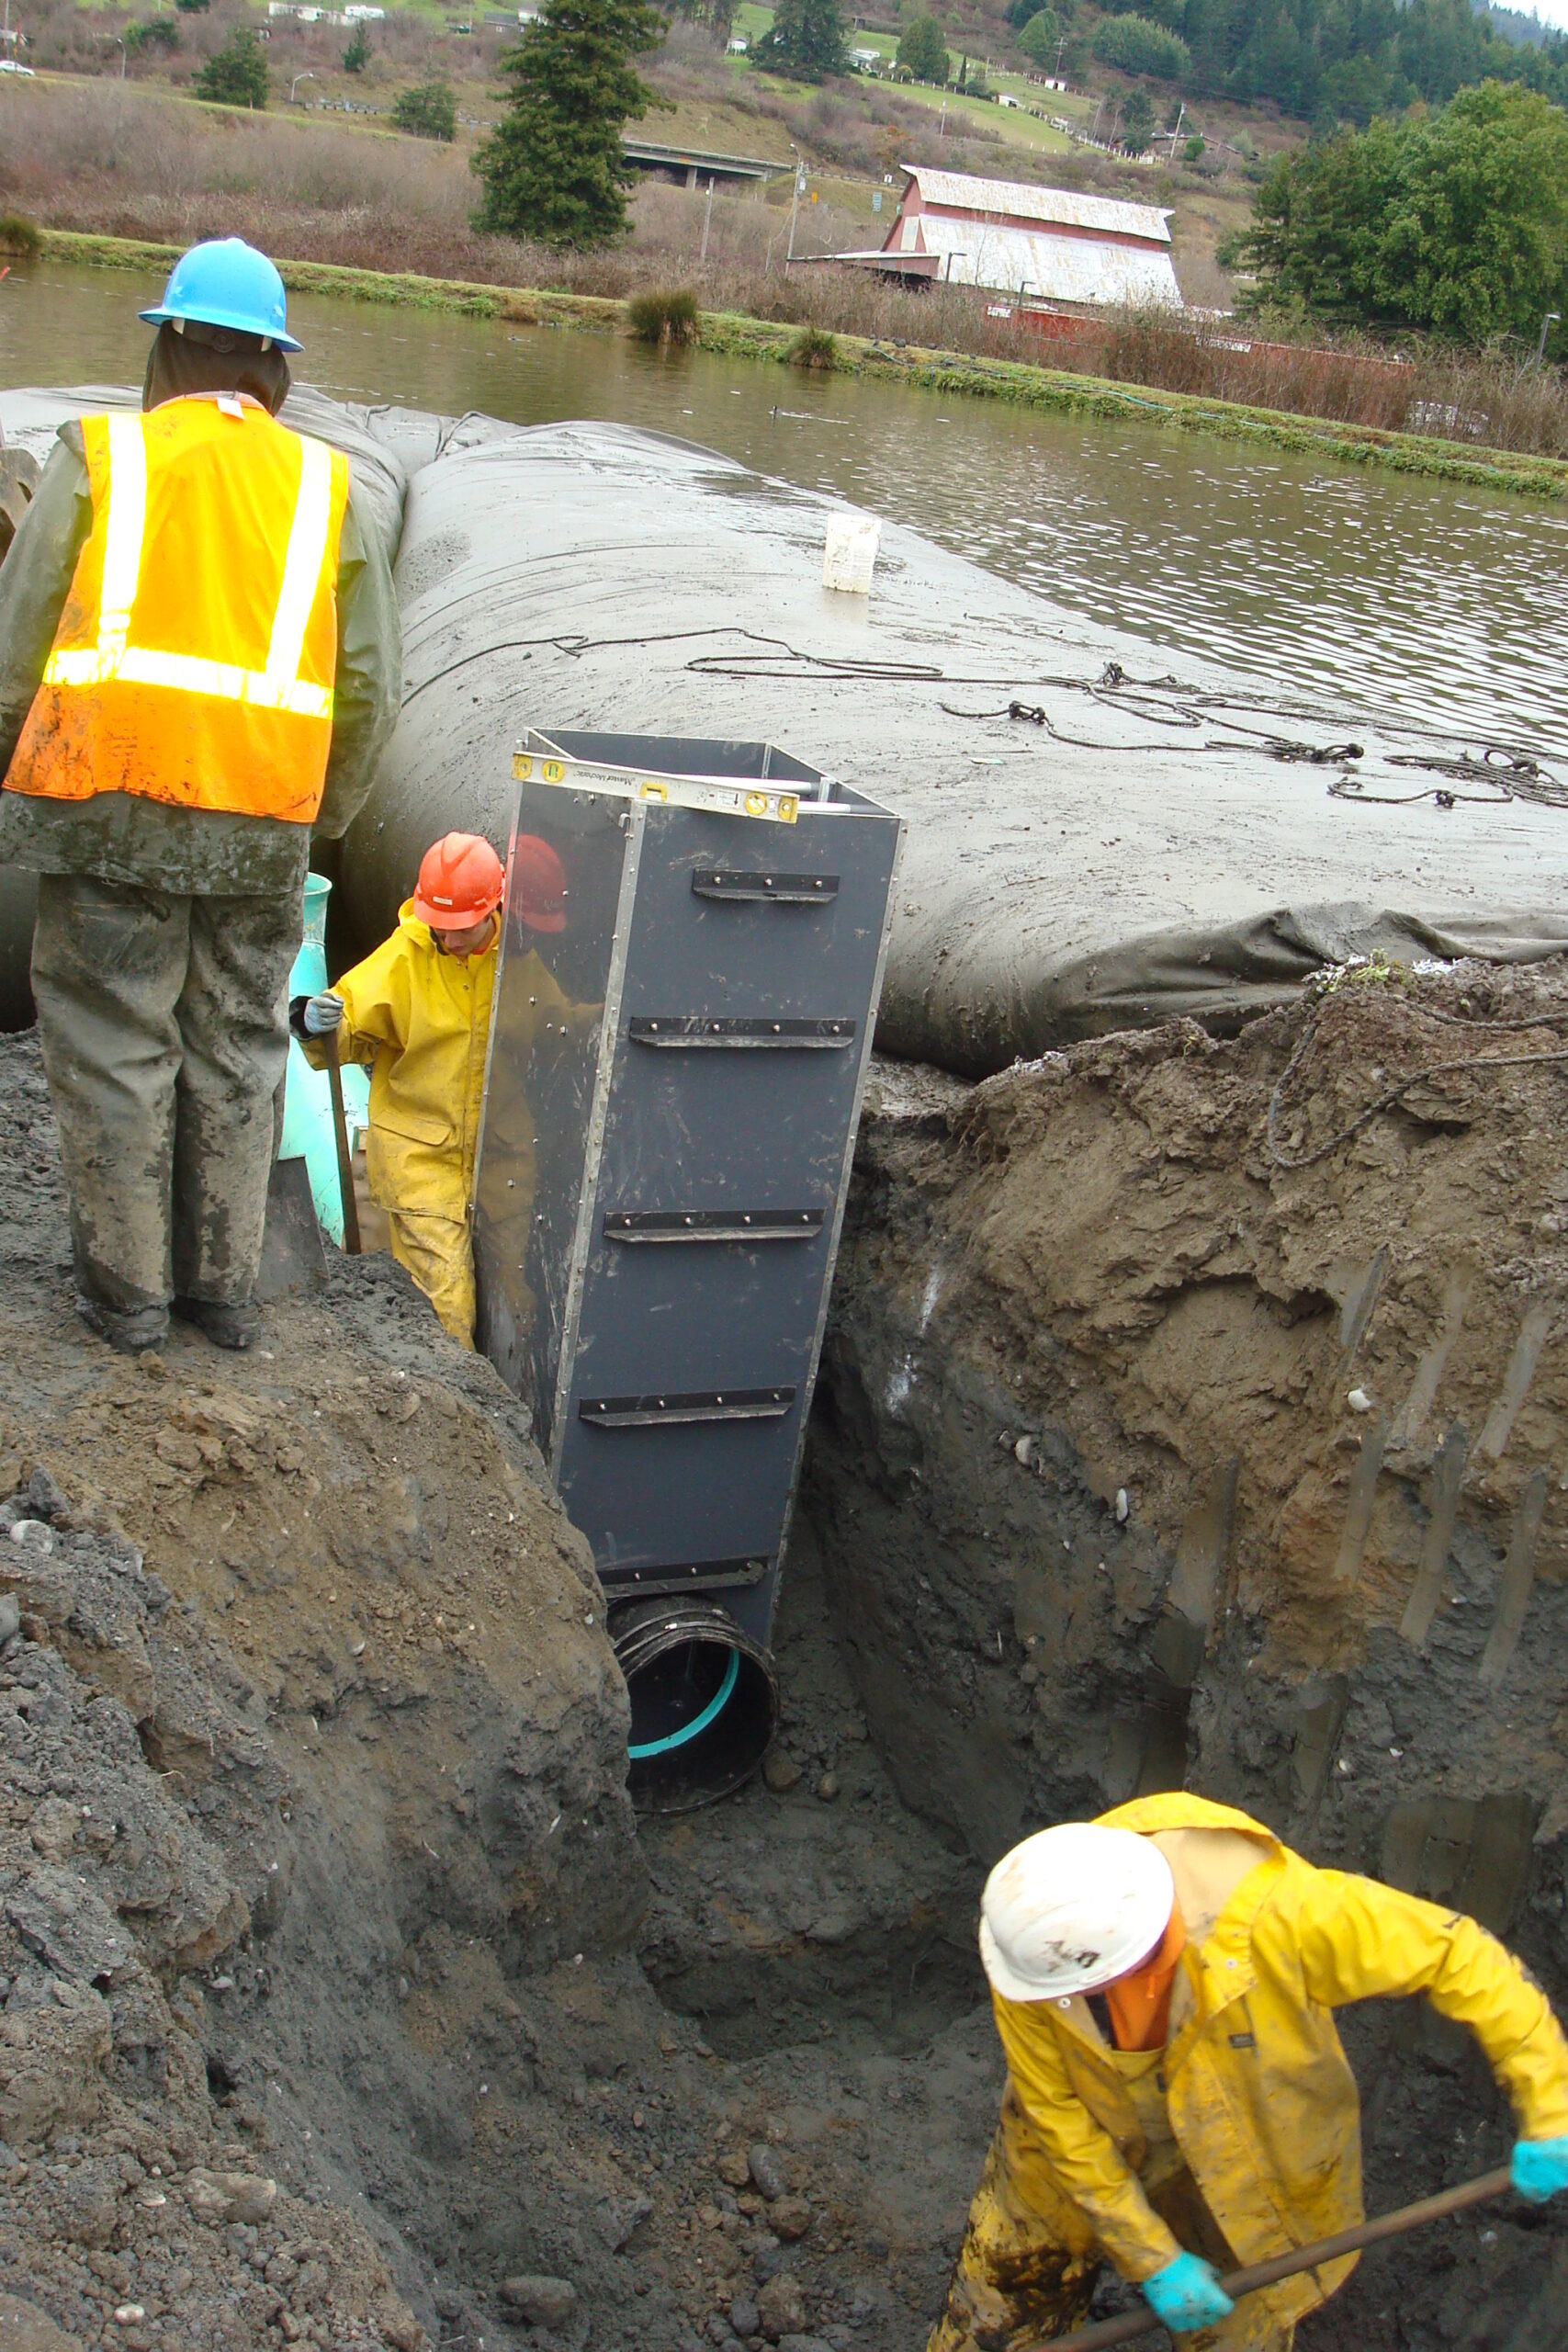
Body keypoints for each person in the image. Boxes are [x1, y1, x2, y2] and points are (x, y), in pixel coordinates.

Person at [0, 239, 400, 1355]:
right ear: (274, 366)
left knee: (117, 1038)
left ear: (170, 344)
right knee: (236, 1041)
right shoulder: (331, 491)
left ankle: (126, 1301)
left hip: (106, 800)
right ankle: (221, 1293)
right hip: (261, 818)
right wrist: (317, 817)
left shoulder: (100, 458)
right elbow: (369, 684)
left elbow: (14, 645)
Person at [930, 1792, 1568, 2351]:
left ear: (1152, 1952)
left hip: (1241, 2151)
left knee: (1234, 2334)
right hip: (1069, 2157)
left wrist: (1551, 2103)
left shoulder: (1279, 1914)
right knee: (999, 2301)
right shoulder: (1038, 1952)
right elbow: (1058, 2116)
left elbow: (1455, 1954)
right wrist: (1150, 2258)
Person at [295, 830, 576, 1349]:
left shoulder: (518, 961)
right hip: (420, 1158)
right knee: (446, 1306)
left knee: (518, 1294)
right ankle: (460, 1415)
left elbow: (558, 1026)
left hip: (501, 1157)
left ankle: (511, 1414)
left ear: (495, 908)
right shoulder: (406, 956)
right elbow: (347, 1024)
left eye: (462, 929)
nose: (448, 939)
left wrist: (612, 1024)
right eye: (439, 927)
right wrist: (313, 1022)